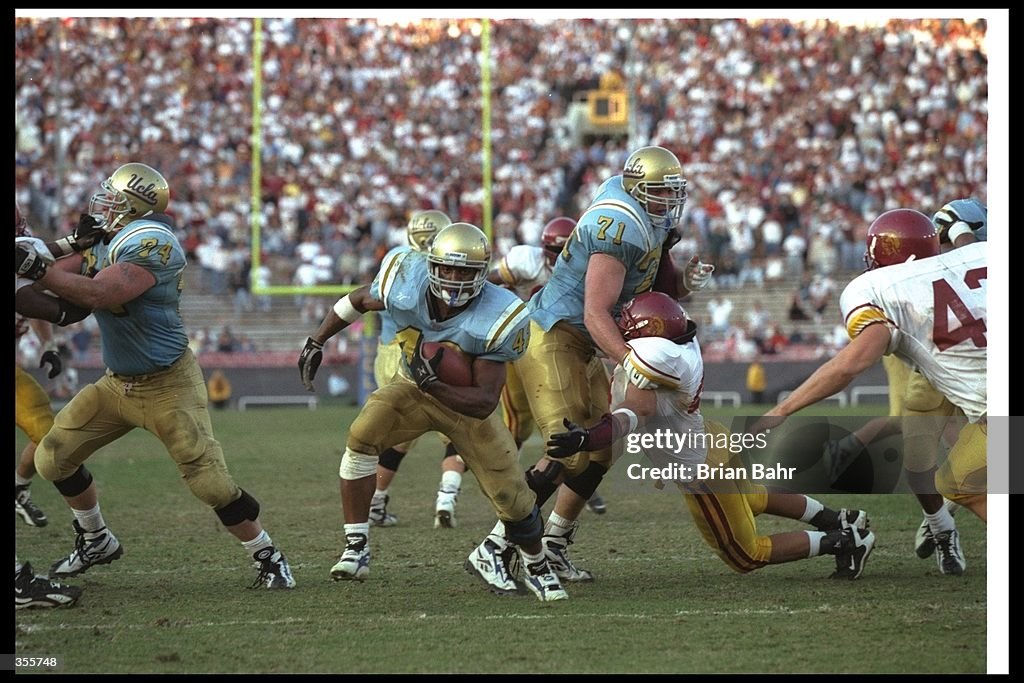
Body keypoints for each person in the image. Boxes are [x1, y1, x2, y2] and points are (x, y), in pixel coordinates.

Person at [15, 162, 295, 590]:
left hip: (168, 383)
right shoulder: (107, 238)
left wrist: (35, 267)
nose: (102, 202)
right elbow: (60, 290)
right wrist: (33, 276)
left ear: (132, 205)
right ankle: (96, 539)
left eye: (113, 196)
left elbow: (98, 293)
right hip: (117, 383)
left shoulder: (152, 241)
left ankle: (268, 555)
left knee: (211, 483)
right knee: (52, 456)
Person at [466, 145, 715, 590]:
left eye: (672, 191)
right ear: (639, 189)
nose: (668, 200)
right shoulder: (619, 226)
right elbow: (596, 311)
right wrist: (629, 360)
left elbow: (662, 282)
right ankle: (496, 546)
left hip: (581, 341)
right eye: (661, 191)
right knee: (569, 446)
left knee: (602, 446)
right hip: (554, 332)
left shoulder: (649, 217)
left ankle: (555, 546)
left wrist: (686, 283)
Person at [298, 222, 566, 601]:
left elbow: (486, 399)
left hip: (465, 408)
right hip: (412, 388)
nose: (455, 280)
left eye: (466, 272)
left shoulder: (499, 314)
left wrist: (436, 385)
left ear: (482, 273)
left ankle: (535, 564)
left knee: (512, 495)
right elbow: (359, 300)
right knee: (361, 437)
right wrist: (317, 340)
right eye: (448, 269)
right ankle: (356, 547)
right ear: (431, 265)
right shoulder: (405, 281)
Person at [545, 292, 875, 578]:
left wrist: (591, 438)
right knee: (754, 497)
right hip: (712, 441)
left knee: (748, 554)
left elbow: (637, 411)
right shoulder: (675, 347)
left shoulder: (659, 356)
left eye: (629, 326)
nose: (621, 331)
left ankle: (844, 541)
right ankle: (840, 519)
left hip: (702, 473)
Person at [756, 208, 987, 576]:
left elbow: (851, 363)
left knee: (963, 478)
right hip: (962, 385)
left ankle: (943, 524)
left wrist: (782, 410)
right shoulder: (982, 253)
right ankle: (943, 528)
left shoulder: (882, 289)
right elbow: (970, 248)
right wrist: (960, 228)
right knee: (945, 470)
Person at [487, 216, 607, 515]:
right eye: (554, 252)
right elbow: (488, 283)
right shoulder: (527, 261)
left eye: (565, 251)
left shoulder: (591, 267)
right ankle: (504, 486)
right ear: (544, 250)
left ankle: (576, 484)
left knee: (583, 419)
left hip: (570, 348)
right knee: (518, 425)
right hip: (524, 344)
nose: (560, 259)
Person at [361, 208, 465, 529]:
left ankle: (376, 503)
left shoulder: (397, 256)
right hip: (422, 352)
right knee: (459, 428)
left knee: (398, 437)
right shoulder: (443, 265)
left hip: (388, 353)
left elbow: (371, 298)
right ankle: (445, 499)